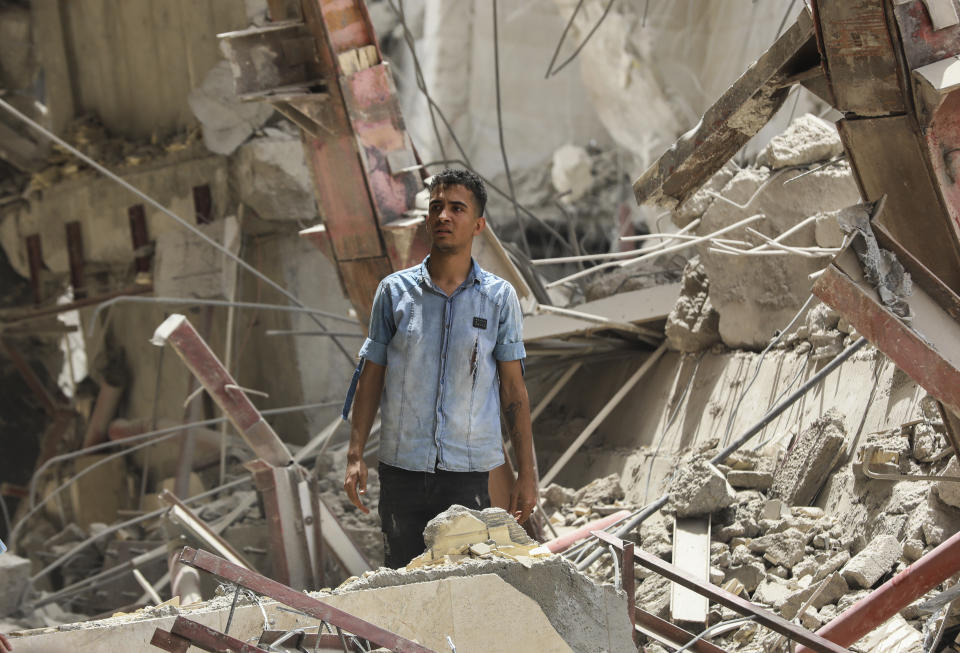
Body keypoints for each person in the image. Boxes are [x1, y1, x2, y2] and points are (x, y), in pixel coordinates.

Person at [341, 168, 537, 568]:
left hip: (469, 475)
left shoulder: (499, 299)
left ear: (478, 224)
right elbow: (371, 375)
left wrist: (527, 474)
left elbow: (514, 391)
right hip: (401, 471)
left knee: (466, 586)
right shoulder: (394, 292)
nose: (443, 216)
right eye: (436, 207)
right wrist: (356, 453)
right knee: (404, 582)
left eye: (456, 208)